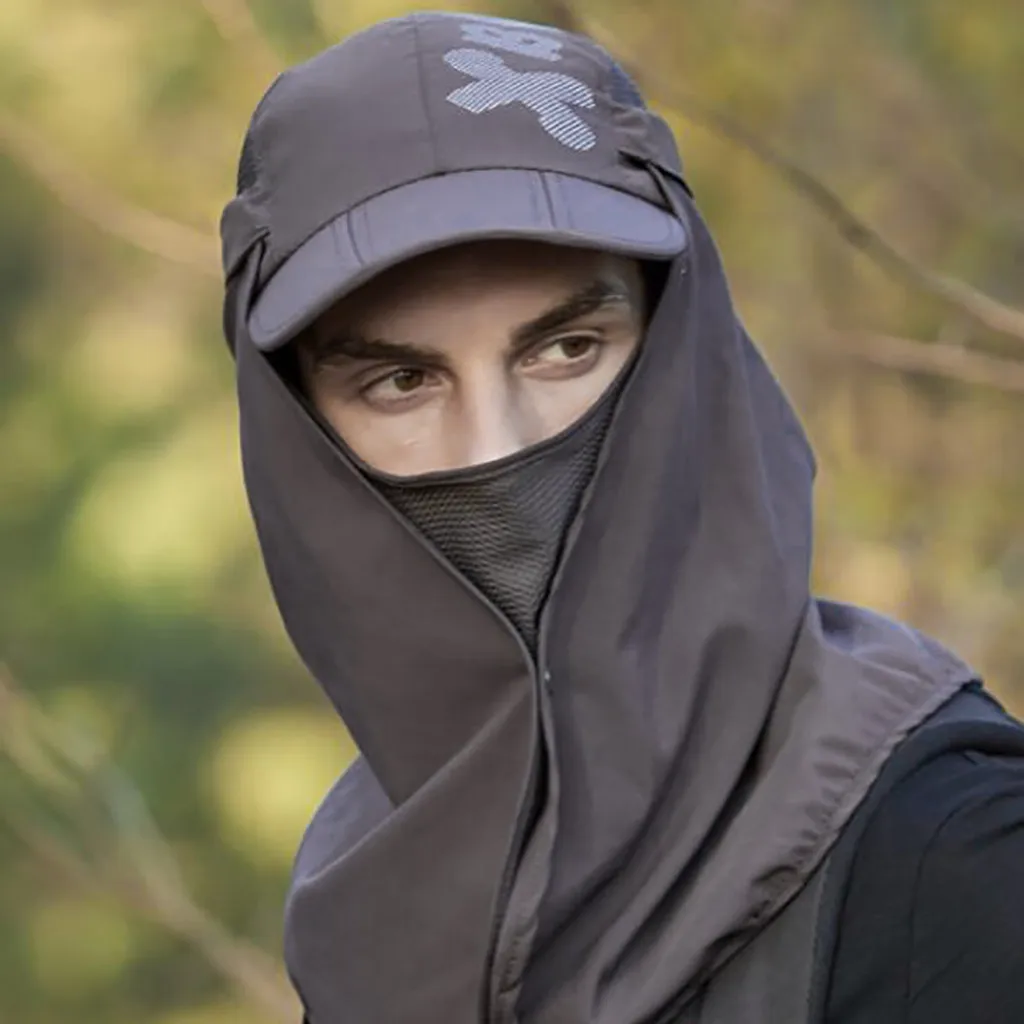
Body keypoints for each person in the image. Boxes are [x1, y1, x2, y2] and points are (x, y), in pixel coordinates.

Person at [219, 11, 1024, 1023]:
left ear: (681, 348)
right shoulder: (362, 898)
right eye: (401, 381)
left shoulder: (953, 865)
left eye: (566, 350)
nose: (496, 448)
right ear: (298, 439)